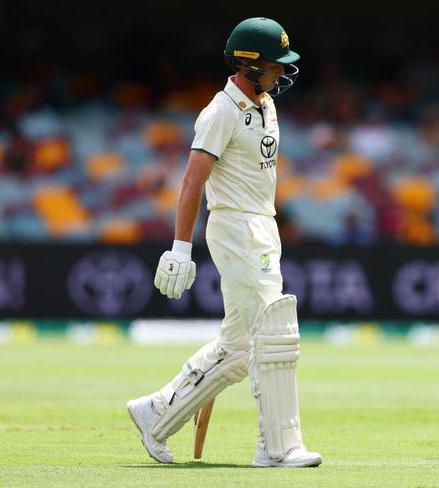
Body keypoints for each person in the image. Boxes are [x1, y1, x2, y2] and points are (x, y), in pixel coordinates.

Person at [127, 17, 322, 468]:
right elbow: (192, 182)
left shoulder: (266, 104)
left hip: (261, 227)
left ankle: (156, 412)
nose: (281, 73)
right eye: (274, 65)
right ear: (248, 64)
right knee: (274, 331)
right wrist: (180, 247)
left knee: (238, 351)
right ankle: (277, 448)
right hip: (234, 228)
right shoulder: (221, 112)